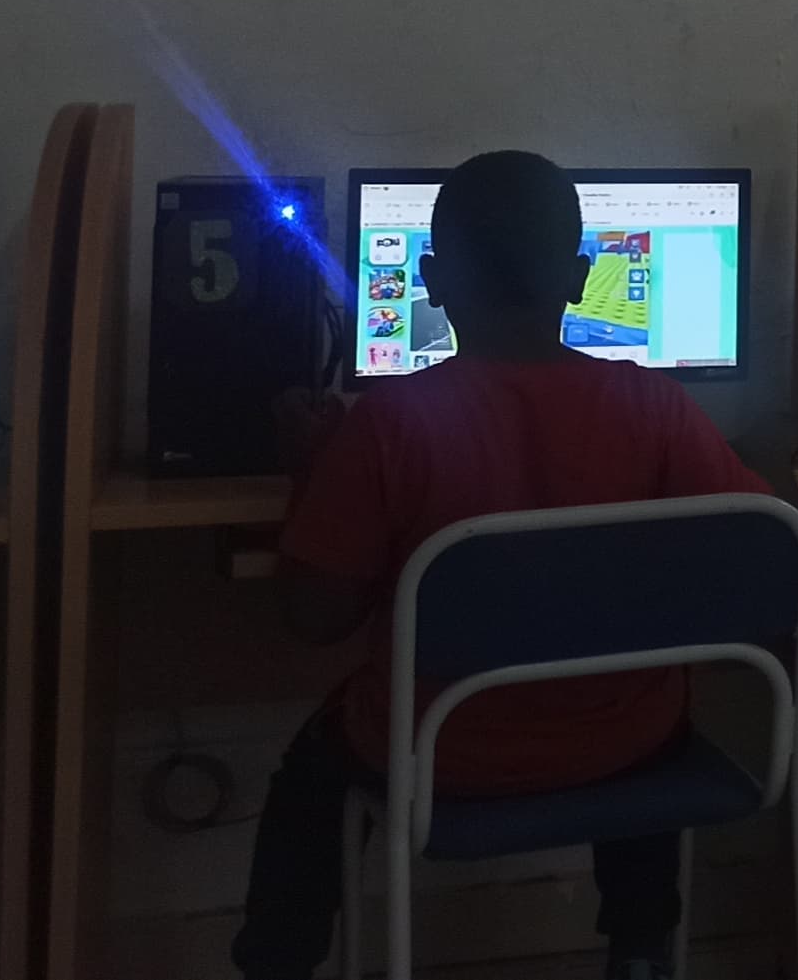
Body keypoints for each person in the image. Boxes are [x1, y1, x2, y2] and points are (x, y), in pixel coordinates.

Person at [234, 151, 769, 980]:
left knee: (313, 767)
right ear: (581, 279)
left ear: (432, 279)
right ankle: (640, 948)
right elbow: (758, 553)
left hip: (442, 756)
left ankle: (277, 964)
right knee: (658, 709)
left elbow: (314, 617)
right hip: (625, 743)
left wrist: (310, 469)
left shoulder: (389, 423)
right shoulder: (657, 407)